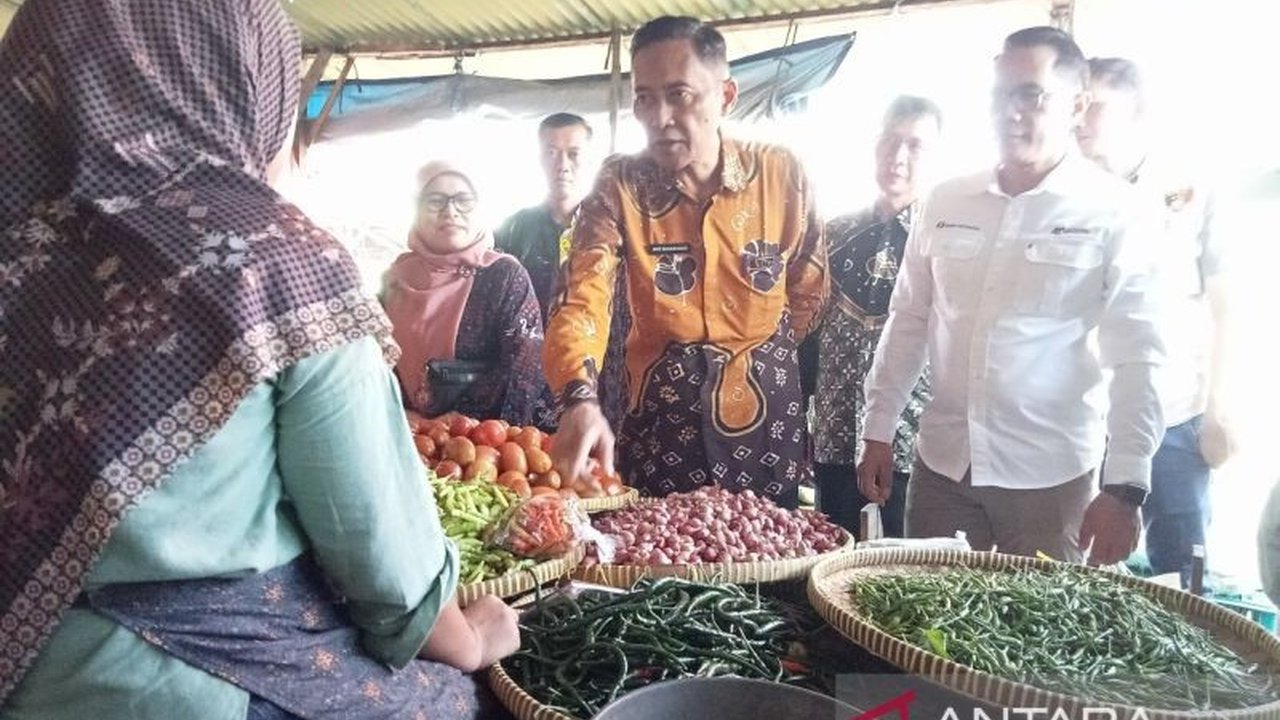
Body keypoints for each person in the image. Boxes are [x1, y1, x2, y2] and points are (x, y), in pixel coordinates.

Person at [0, 2, 519, 718]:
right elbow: (381, 560)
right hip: (182, 687)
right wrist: (470, 639)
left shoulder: (16, 256)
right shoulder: (271, 263)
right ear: (241, 80)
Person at [858, 27, 1166, 564]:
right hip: (944, 468)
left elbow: (1138, 354)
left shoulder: (1116, 211)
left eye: (1031, 94)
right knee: (919, 624)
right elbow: (909, 319)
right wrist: (878, 429)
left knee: (1036, 638)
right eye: (1000, 95)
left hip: (1049, 477)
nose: (1011, 111)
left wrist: (1125, 487)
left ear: (1076, 104)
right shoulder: (947, 199)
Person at [543, 16, 827, 508]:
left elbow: (808, 291)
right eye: (645, 98)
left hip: (767, 435)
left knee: (768, 565)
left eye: (680, 95)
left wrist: (755, 357)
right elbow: (581, 298)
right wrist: (578, 398)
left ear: (726, 96)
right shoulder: (620, 187)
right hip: (660, 431)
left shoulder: (783, 177)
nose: (659, 117)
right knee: (663, 568)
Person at [1076, 57, 1236, 583]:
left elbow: (1224, 303)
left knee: (1184, 574)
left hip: (1175, 417)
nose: (1080, 117)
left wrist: (1219, 411)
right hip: (1088, 421)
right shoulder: (1066, 193)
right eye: (1076, 103)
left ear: (1135, 111)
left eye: (1094, 103)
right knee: (1082, 572)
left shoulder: (1188, 188)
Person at [800, 96, 941, 536]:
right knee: (833, 557)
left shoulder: (944, 237)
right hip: (835, 431)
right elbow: (807, 333)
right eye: (889, 141)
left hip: (913, 439)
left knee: (910, 566)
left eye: (915, 146)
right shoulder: (831, 233)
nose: (898, 157)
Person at [383, 162, 548, 426]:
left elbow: (524, 371)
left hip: (485, 449)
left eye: (463, 200)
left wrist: (455, 425)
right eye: (435, 201)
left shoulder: (504, 276)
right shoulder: (393, 281)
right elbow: (370, 368)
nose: (450, 211)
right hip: (402, 436)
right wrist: (405, 419)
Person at [495, 113, 595, 324]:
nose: (562, 165)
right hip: (531, 351)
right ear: (539, 159)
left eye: (574, 154)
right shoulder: (513, 229)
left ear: (590, 158)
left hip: (598, 351)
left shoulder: (610, 227)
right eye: (551, 153)